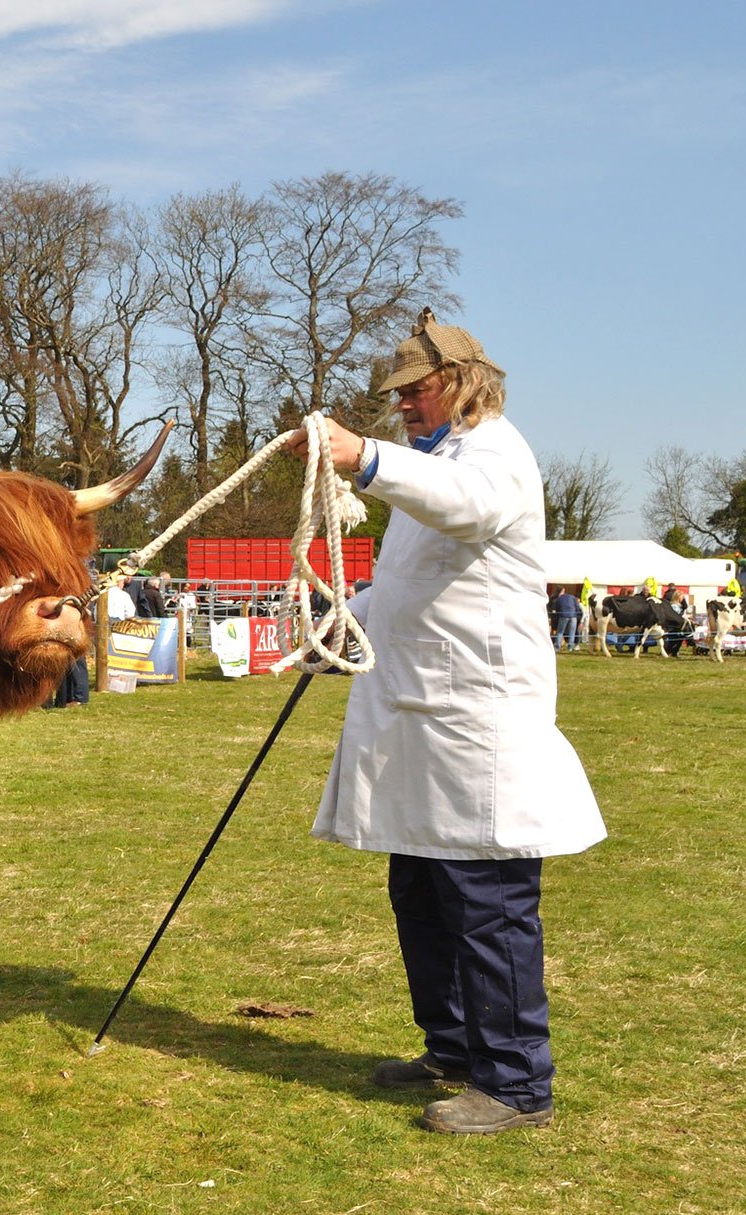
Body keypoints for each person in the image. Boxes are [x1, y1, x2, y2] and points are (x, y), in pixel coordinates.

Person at [286, 308, 605, 1135]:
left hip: (477, 721)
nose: (402, 406)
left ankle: (516, 1084)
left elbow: (463, 509)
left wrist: (363, 457)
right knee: (422, 893)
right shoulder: (440, 458)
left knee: (486, 901)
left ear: (462, 382)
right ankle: (454, 1049)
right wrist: (340, 624)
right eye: (395, 398)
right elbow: (409, 586)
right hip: (422, 720)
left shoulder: (494, 453)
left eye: (414, 390)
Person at [552, 587, 581, 652]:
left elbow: (557, 609)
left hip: (563, 615)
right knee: (572, 632)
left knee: (560, 632)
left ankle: (557, 647)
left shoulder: (558, 599)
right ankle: (570, 647)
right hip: (573, 616)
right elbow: (577, 607)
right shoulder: (573, 597)